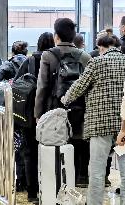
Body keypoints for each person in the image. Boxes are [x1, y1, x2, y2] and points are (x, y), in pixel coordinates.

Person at [61, 28, 125, 205]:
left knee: (96, 170)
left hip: (100, 124)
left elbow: (79, 87)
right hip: (123, 126)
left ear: (101, 47)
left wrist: (65, 99)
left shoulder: (96, 62)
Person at [34, 18, 91, 187]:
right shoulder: (85, 57)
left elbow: (42, 87)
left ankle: (56, 188)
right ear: (74, 36)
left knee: (55, 149)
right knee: (77, 148)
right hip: (80, 111)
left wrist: (38, 114)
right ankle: (75, 185)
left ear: (56, 36)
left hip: (55, 111)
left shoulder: (48, 55)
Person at [12, 32, 55, 202]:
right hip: (52, 112)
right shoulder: (56, 59)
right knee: (51, 151)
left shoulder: (30, 61)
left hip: (29, 114)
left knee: (30, 152)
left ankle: (32, 192)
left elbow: (16, 83)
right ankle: (50, 189)